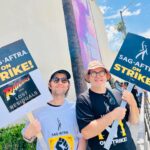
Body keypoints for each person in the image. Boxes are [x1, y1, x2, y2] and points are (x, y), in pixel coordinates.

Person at [76, 60, 139, 150]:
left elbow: (134, 121)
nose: (98, 76)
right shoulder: (84, 99)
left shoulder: (118, 94)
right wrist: (113, 115)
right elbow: (86, 133)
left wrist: (132, 102)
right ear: (89, 77)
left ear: (106, 75)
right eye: (93, 73)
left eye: (101, 72)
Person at [22, 69, 86, 150]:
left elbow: (82, 137)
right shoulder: (37, 111)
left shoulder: (76, 108)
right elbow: (28, 137)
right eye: (56, 80)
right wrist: (28, 134)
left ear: (68, 85)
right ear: (49, 85)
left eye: (64, 80)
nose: (60, 83)